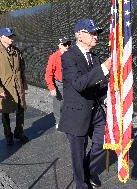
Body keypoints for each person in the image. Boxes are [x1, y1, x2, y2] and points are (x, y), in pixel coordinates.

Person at [58, 19, 111, 189]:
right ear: (79, 35)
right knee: (78, 155)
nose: (96, 36)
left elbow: (99, 85)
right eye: (92, 32)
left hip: (95, 111)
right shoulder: (68, 56)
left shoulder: (94, 57)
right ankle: (81, 185)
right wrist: (104, 68)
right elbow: (79, 84)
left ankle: (89, 170)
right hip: (76, 113)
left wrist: (108, 98)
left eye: (96, 33)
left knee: (104, 142)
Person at [0, 27, 29, 145]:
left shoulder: (16, 51)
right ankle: (8, 134)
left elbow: (22, 69)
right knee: (5, 113)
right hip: (4, 88)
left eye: (11, 36)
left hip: (17, 87)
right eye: (9, 36)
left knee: (20, 110)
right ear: (1, 38)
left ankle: (19, 132)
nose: (11, 38)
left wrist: (23, 85)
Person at [45, 37, 71, 128]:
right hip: (59, 84)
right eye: (65, 44)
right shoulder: (54, 57)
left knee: (70, 102)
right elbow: (48, 74)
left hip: (70, 83)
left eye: (68, 44)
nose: (67, 46)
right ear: (59, 45)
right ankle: (58, 121)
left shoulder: (72, 55)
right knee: (59, 104)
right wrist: (52, 87)